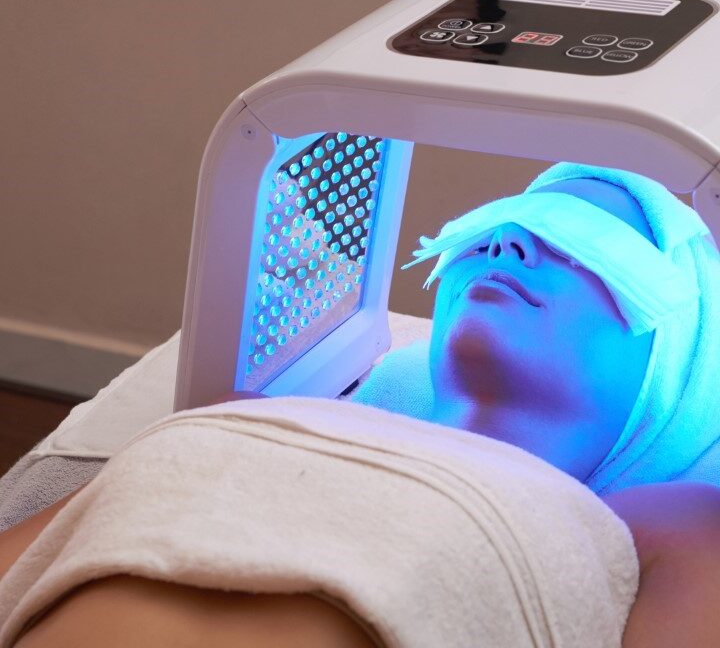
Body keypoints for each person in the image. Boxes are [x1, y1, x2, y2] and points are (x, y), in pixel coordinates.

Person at [1, 163, 720, 647]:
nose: (506, 242)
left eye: (583, 243)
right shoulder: (256, 415)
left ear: (680, 359)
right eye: (495, 230)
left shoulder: (666, 522)